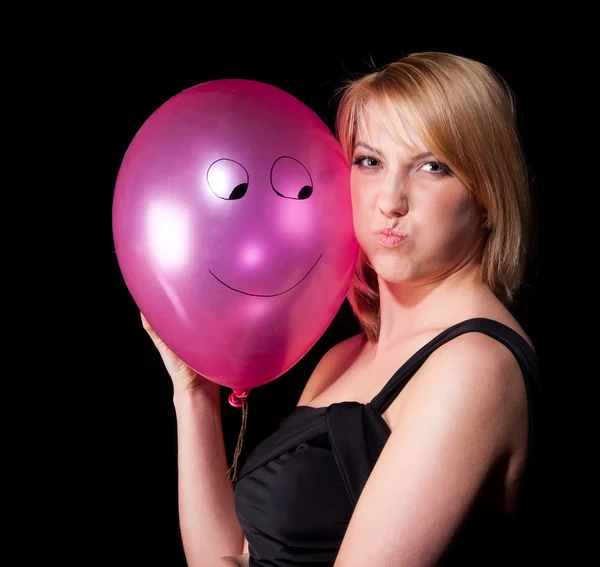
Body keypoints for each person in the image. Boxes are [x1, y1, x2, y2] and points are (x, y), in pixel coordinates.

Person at [142, 51, 543, 566]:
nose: (390, 200)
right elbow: (236, 556)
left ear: (487, 193)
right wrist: (194, 395)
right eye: (370, 161)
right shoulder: (344, 358)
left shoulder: (474, 368)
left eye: (432, 166)